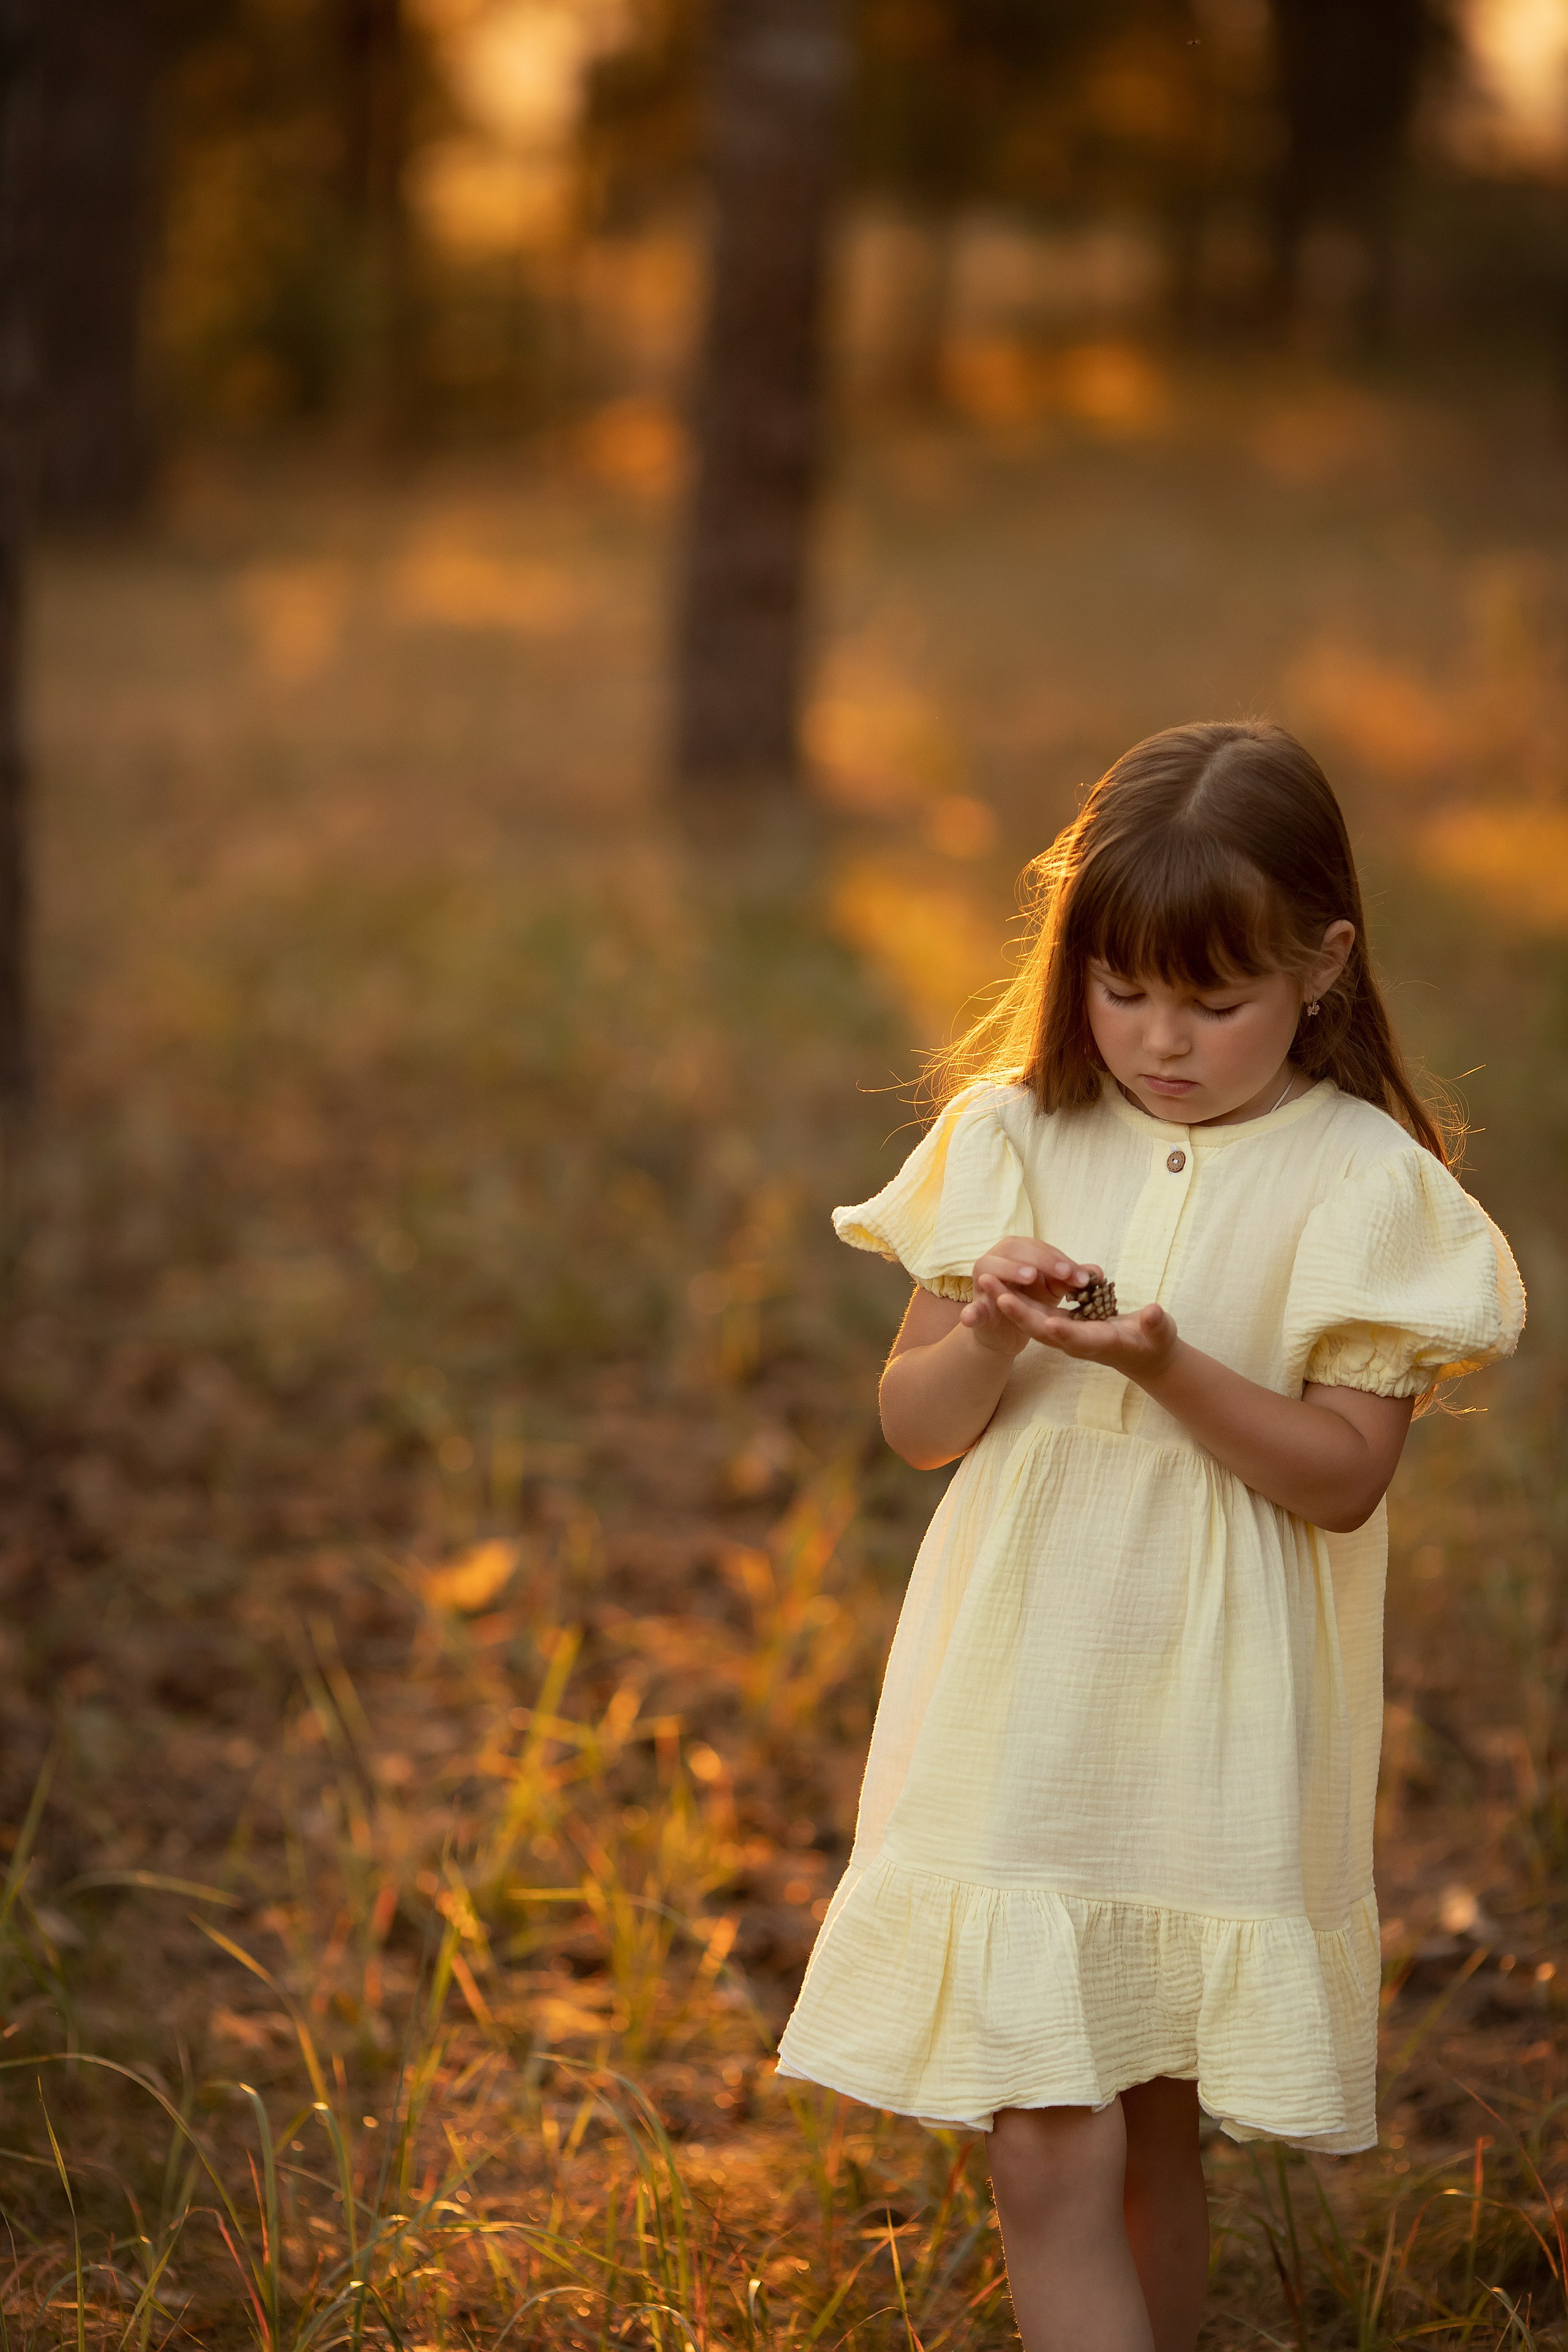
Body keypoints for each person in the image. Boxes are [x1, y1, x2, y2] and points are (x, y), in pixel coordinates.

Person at [775, 721, 1525, 2352]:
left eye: (1214, 1002)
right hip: (1023, 1691)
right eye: (1121, 993)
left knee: (1150, 2123)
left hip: (1215, 1711)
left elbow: (1343, 1478)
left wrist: (1170, 1366)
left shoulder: (1363, 1180)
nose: (1161, 1042)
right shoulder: (1016, 1132)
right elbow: (916, 1427)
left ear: (1324, 966)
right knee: (1049, 2136)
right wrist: (989, 1328)